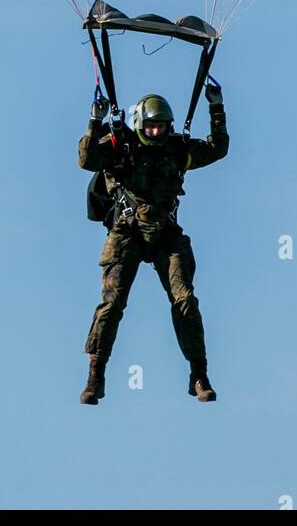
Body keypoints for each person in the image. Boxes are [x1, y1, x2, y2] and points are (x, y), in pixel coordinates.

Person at [78, 82, 228, 404]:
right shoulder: (120, 147)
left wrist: (216, 108)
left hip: (165, 234)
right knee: (112, 303)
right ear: (139, 124)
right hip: (127, 232)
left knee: (185, 299)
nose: (156, 132)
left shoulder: (177, 151)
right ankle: (96, 375)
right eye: (151, 126)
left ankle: (198, 375)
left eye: (161, 127)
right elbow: (87, 159)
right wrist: (94, 121)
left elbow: (217, 149)